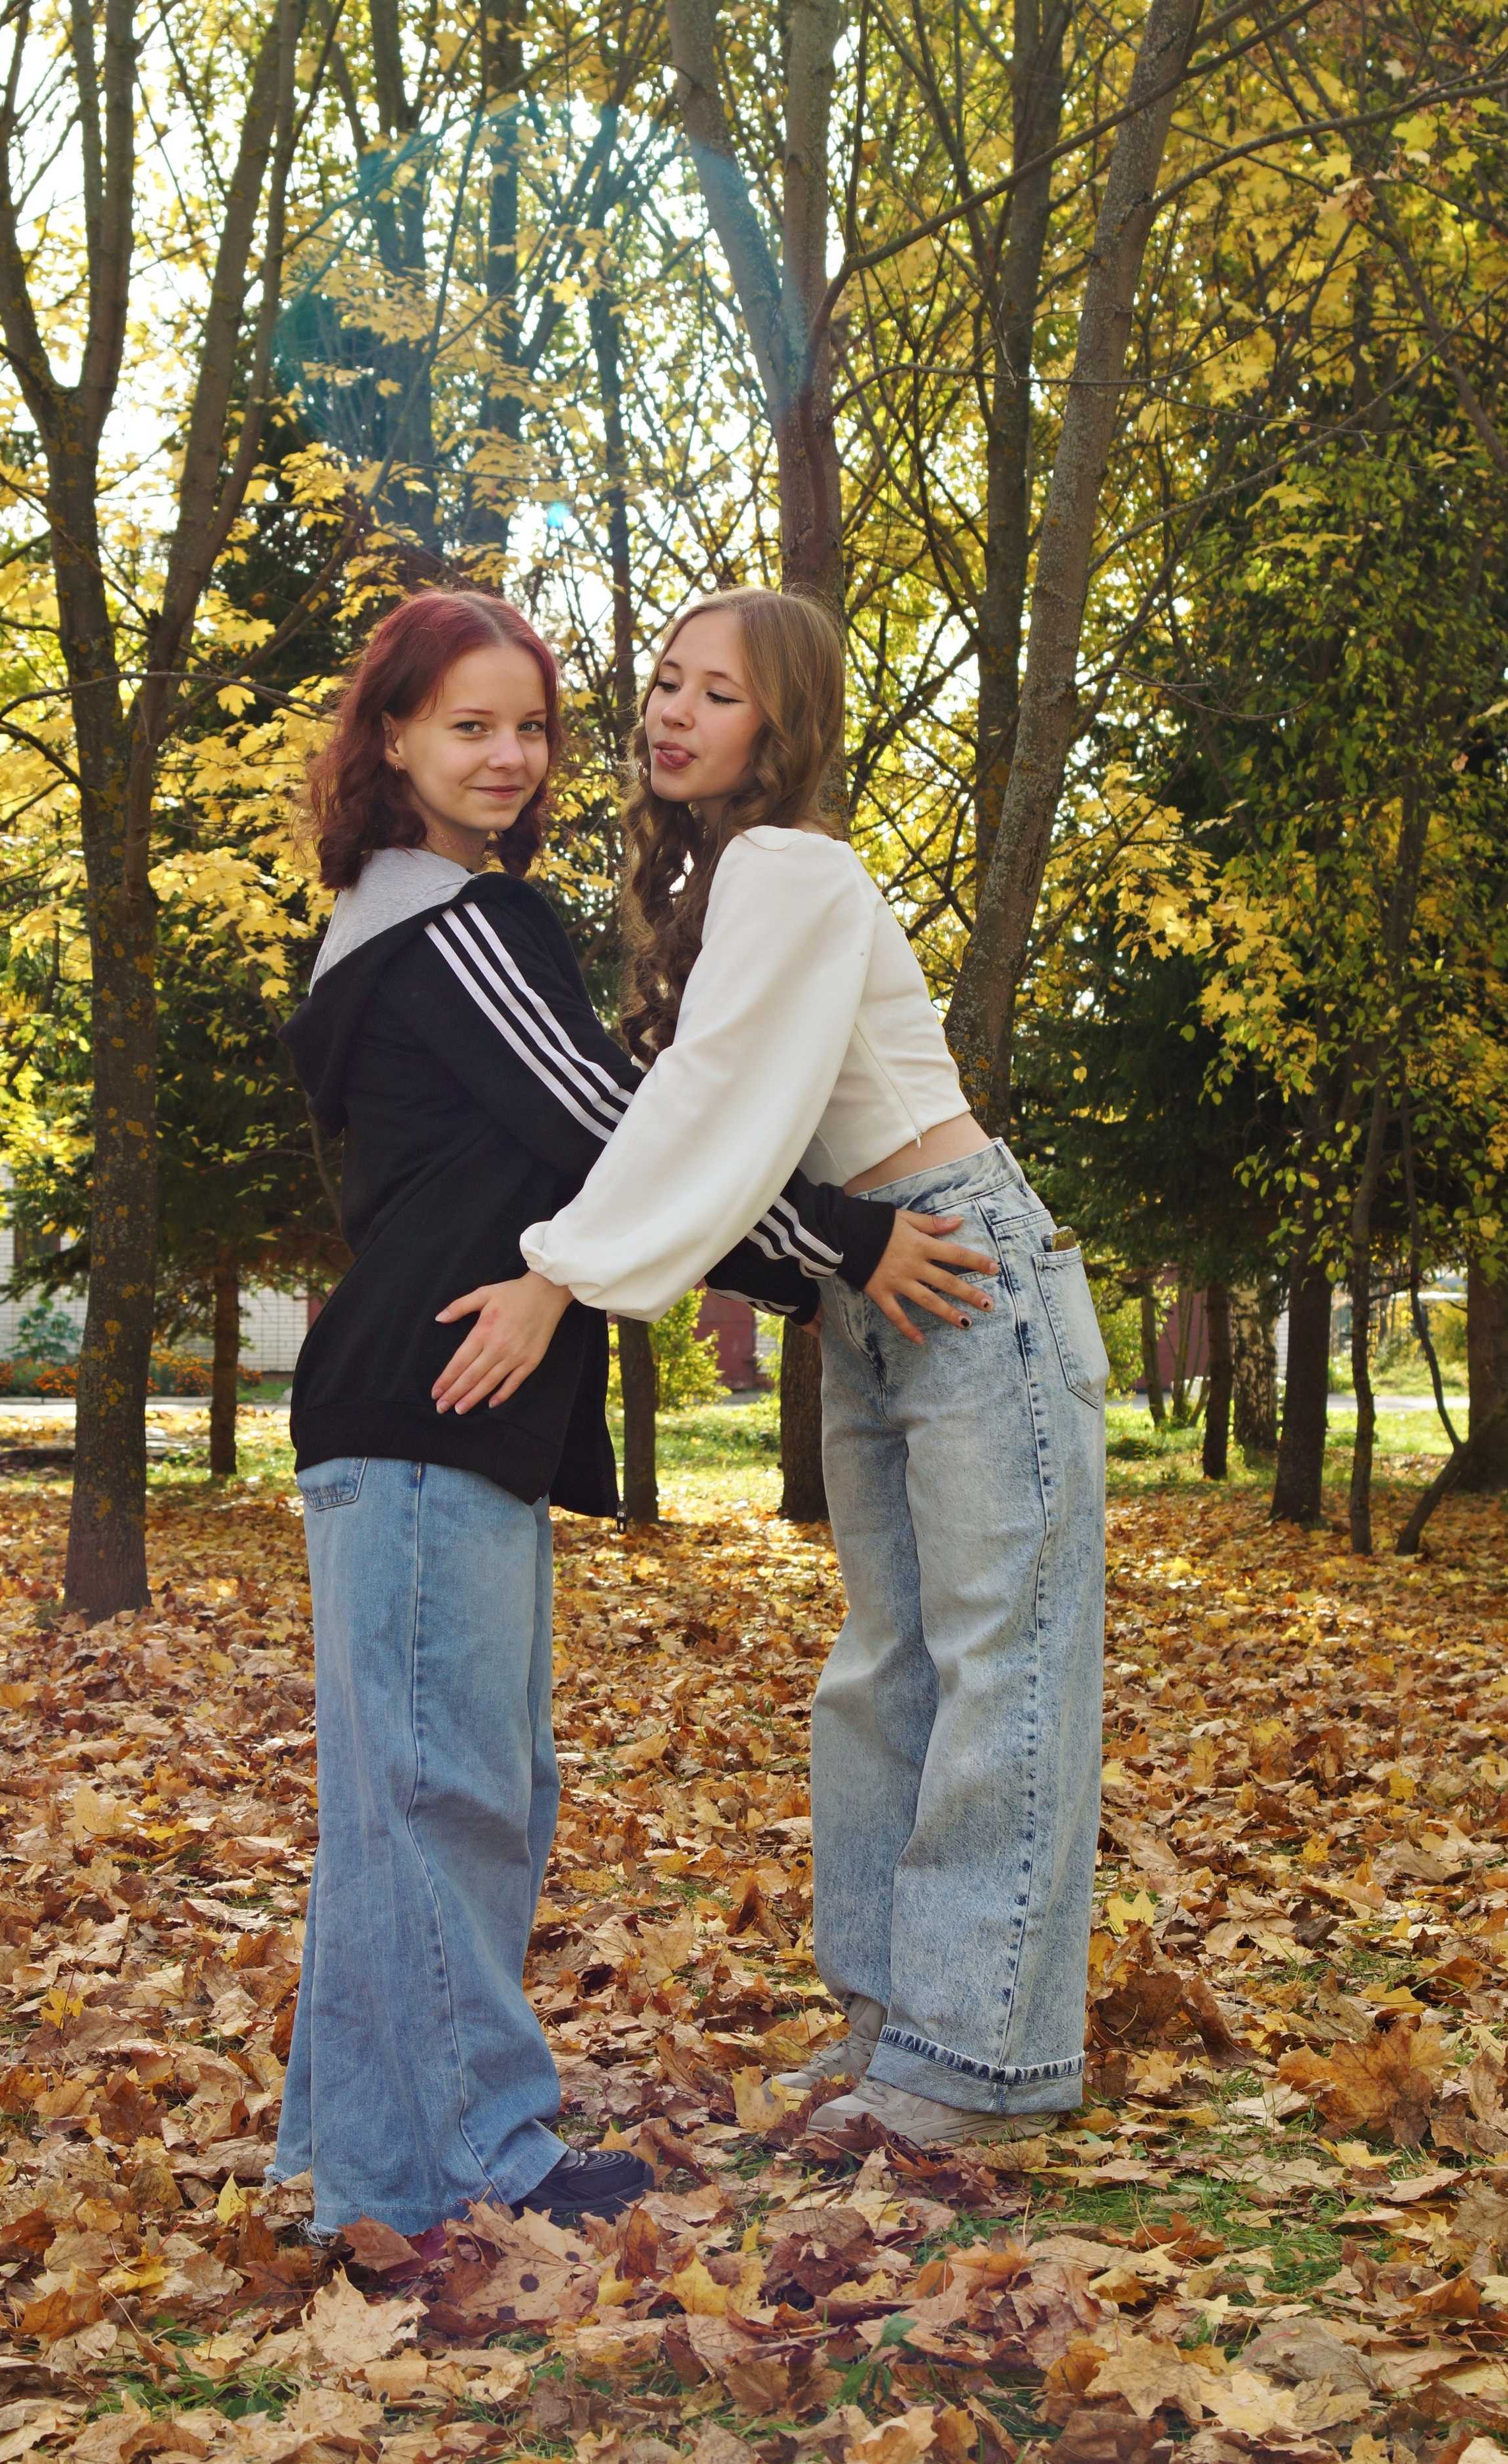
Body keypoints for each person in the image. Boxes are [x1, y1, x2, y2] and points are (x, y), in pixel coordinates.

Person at [268, 588, 981, 2236]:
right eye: (468, 726)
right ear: (391, 739)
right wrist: (847, 1243)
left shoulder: (384, 926)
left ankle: (357, 2163)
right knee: (451, 1791)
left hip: (405, 1405)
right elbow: (619, 1127)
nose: (510, 756)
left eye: (529, 726)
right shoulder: (465, 929)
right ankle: (463, 2171)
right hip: (435, 1399)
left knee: (408, 1797)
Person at [431, 586, 1107, 2150]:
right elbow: (697, 1109)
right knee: (885, 1673)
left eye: (714, 693)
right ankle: (895, 2030)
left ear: (779, 726)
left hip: (963, 1263)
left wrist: (560, 1271)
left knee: (997, 1666)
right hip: (877, 1284)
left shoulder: (792, 865)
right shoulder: (732, 881)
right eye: (663, 682)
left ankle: (979, 2070)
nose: (669, 712)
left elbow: (711, 1105)